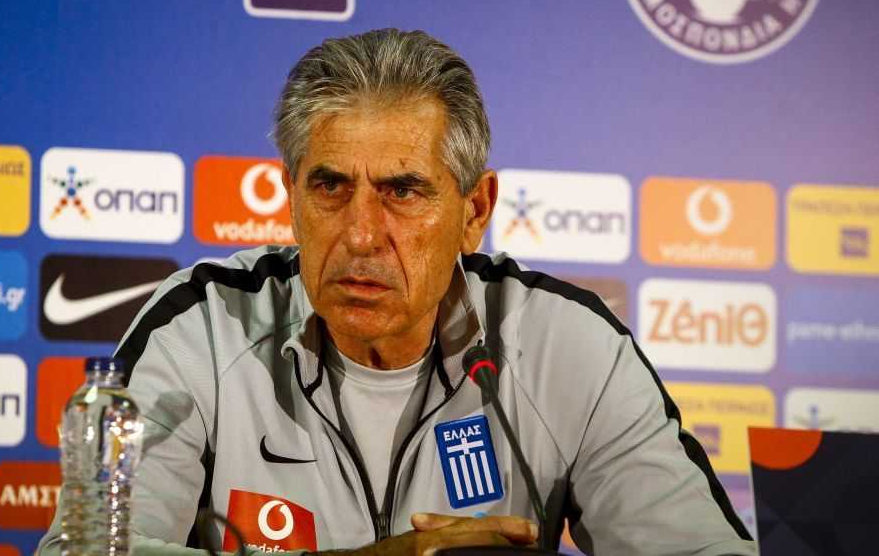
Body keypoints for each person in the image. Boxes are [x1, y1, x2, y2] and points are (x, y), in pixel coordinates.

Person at [38, 28, 756, 556]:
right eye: (329, 187)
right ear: (292, 197)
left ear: (473, 211)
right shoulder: (202, 327)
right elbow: (88, 552)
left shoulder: (567, 346)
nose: (359, 234)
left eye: (402, 192)